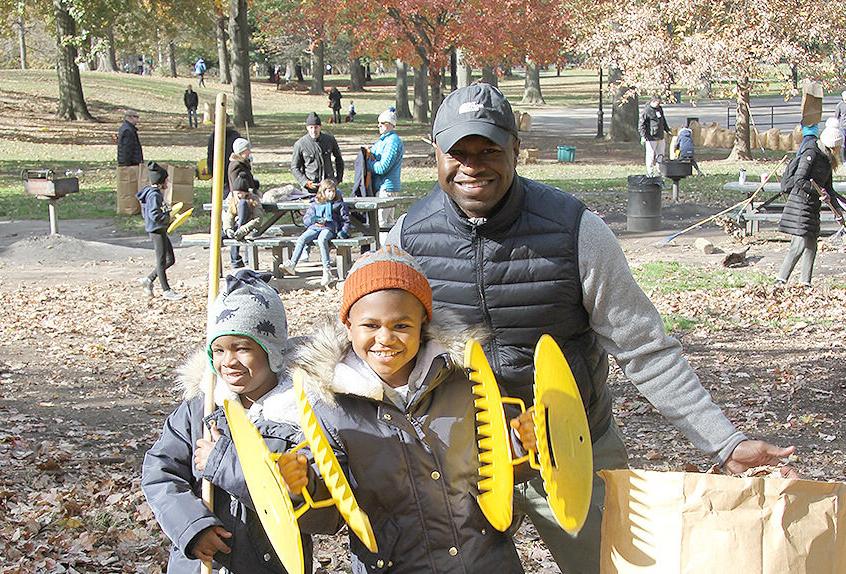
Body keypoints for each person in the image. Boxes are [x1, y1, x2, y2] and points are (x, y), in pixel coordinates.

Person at [387, 83, 797, 574]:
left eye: (490, 149)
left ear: (517, 151)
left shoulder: (574, 231)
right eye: (458, 152)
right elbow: (385, 354)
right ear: (436, 155)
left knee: (611, 568)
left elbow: (645, 349)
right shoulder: (408, 237)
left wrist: (723, 441)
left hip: (574, 447)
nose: (473, 164)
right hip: (463, 460)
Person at [277, 246, 530, 573]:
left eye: (401, 326)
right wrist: (302, 486)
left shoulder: (467, 380)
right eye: (370, 325)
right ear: (348, 324)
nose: (386, 338)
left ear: (423, 323)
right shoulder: (329, 409)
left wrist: (525, 442)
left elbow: (504, 468)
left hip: (483, 561)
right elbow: (329, 516)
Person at [141, 269, 315, 573]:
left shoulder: (298, 417)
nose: (229, 361)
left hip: (269, 564)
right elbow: (160, 471)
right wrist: (192, 528)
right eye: (218, 350)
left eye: (242, 348)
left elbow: (297, 498)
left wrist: (222, 462)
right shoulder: (202, 407)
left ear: (271, 351)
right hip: (200, 564)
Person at [777, 120, 842, 287]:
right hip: (800, 204)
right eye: (838, 148)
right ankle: (780, 280)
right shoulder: (811, 152)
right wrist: (818, 192)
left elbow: (829, 189)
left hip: (812, 206)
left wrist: (839, 213)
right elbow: (800, 180)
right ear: (832, 146)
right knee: (798, 244)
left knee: (811, 244)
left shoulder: (827, 160)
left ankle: (805, 282)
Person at [280, 178, 350, 286]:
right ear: (323, 191)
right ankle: (292, 264)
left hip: (329, 228)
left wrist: (343, 232)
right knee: (302, 239)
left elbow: (345, 220)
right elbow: (307, 218)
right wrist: (314, 220)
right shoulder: (315, 203)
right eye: (329, 191)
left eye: (333, 191)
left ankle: (326, 270)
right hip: (314, 227)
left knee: (322, 240)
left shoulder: (338, 204)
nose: (331, 194)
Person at [136, 162, 184, 301]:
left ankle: (149, 279)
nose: (168, 183)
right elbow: (154, 214)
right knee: (162, 261)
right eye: (166, 180)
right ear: (160, 181)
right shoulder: (154, 195)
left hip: (160, 229)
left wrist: (168, 212)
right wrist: (166, 218)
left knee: (170, 259)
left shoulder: (154, 194)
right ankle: (166, 290)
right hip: (156, 230)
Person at [368, 108, 405, 230]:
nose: (379, 126)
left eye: (382, 123)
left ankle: (385, 249)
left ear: (390, 125)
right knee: (387, 223)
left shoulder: (393, 142)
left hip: (387, 188)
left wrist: (367, 164)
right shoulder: (382, 141)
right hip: (381, 187)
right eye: (378, 123)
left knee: (382, 224)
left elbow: (382, 167)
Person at [226, 138, 260, 269]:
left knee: (243, 227)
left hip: (246, 197)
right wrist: (251, 186)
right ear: (242, 151)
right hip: (241, 200)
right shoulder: (236, 165)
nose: (249, 152)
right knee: (241, 227)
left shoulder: (242, 164)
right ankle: (236, 258)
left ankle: (244, 257)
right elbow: (238, 185)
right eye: (247, 150)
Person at [291, 112, 344, 193]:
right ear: (307, 128)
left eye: (316, 127)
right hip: (310, 188)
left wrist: (338, 179)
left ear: (320, 127)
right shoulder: (300, 144)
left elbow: (339, 159)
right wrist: (305, 182)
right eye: (311, 127)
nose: (314, 130)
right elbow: (295, 168)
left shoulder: (330, 140)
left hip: (329, 186)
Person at [206, 115, 242, 198]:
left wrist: (211, 171)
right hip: (231, 169)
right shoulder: (235, 135)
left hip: (224, 169)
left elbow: (210, 155)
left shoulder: (215, 136)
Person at [639, 95, 671, 177]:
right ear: (653, 101)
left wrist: (667, 130)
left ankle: (660, 170)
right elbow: (641, 125)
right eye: (657, 103)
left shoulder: (659, 109)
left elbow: (663, 120)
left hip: (660, 136)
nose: (658, 105)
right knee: (650, 155)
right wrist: (643, 136)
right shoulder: (646, 111)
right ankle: (650, 172)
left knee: (660, 154)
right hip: (651, 137)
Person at [834, 91, 846, 161]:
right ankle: (844, 160)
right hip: (843, 127)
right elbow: (836, 117)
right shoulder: (840, 105)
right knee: (843, 144)